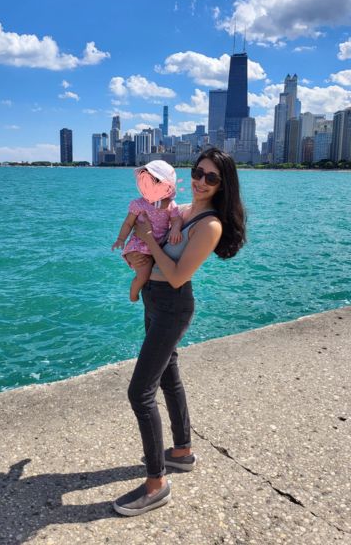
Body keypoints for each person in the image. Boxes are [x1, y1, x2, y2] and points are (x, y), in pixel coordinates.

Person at [113, 148, 246, 516]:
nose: (200, 181)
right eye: (197, 172)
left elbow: (176, 276)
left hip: (172, 303)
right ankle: (183, 451)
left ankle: (156, 484)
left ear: (223, 185)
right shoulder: (185, 209)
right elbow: (158, 213)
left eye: (211, 177)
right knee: (169, 374)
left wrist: (147, 239)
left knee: (140, 393)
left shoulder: (210, 225)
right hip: (153, 299)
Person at [112, 160, 183, 302]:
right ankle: (133, 293)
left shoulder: (170, 205)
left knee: (155, 270)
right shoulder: (139, 204)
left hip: (156, 245)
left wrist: (175, 229)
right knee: (144, 275)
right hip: (139, 245)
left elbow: (176, 219)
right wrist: (121, 239)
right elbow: (128, 223)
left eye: (154, 180)